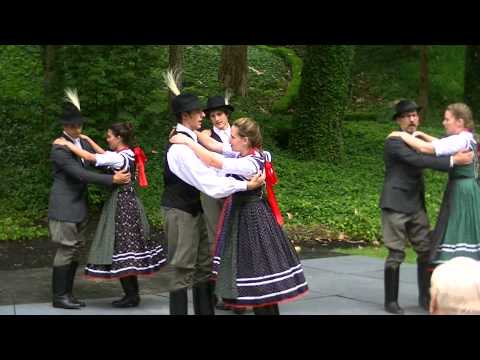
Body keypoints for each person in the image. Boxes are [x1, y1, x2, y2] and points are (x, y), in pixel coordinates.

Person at [170, 117, 309, 315]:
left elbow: (212, 160)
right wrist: (190, 132)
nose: (229, 140)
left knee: (257, 269)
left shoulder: (249, 164)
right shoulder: (253, 153)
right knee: (255, 269)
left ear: (245, 140)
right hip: (247, 214)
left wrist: (187, 142)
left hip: (251, 217)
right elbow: (212, 146)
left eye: (233, 137)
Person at [162, 70, 265, 315]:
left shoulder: (190, 139)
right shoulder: (179, 147)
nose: (203, 116)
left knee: (204, 266)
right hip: (179, 212)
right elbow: (208, 181)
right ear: (185, 116)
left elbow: (219, 154)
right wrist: (245, 185)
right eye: (199, 112)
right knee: (183, 269)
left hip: (193, 209)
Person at [54, 122, 167, 308]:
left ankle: (132, 295)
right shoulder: (127, 153)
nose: (107, 139)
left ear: (119, 137)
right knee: (126, 249)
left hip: (122, 205)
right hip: (129, 203)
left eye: (109, 136)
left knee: (122, 248)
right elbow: (106, 155)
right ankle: (132, 295)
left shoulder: (119, 158)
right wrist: (88, 139)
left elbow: (92, 157)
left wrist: (68, 145)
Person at [380, 99, 473, 315]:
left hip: (415, 204)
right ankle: (390, 301)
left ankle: (425, 296)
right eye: (407, 116)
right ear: (399, 120)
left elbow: (438, 149)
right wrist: (453, 162)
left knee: (425, 251)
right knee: (396, 253)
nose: (412, 119)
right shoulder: (394, 142)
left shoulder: (417, 140)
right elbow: (417, 159)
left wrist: (452, 157)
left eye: (415, 115)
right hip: (395, 204)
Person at [48, 88, 131, 310]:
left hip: (79, 205)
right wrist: (112, 180)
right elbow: (79, 173)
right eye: (73, 126)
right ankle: (59, 296)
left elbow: (97, 160)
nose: (77, 129)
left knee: (75, 249)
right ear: (65, 126)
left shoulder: (82, 143)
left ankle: (68, 294)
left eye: (79, 125)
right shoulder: (59, 147)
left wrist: (113, 170)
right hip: (64, 206)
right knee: (66, 249)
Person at [388, 102, 480, 266]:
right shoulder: (467, 137)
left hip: (462, 191)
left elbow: (427, 149)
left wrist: (401, 135)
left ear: (459, 122)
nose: (443, 123)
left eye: (447, 119)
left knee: (459, 231)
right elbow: (444, 143)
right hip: (467, 188)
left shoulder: (459, 141)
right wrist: (422, 134)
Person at [200, 92, 246, 314]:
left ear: (227, 114)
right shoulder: (206, 136)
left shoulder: (238, 133)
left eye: (220, 114)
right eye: (212, 115)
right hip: (211, 191)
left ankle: (239, 292)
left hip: (235, 191)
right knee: (215, 239)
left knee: (237, 239)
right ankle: (220, 293)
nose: (217, 118)